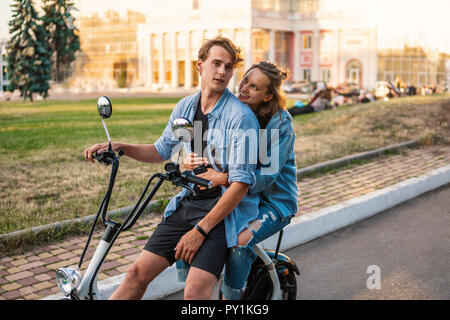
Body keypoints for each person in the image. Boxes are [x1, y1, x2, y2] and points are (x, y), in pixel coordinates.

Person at [84, 36, 260, 300]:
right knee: (135, 274)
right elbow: (162, 150)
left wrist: (200, 231)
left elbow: (240, 185)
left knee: (194, 291)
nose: (222, 71)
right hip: (188, 202)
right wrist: (121, 147)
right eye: (216, 63)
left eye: (228, 66)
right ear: (200, 65)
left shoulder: (241, 118)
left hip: (222, 214)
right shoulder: (185, 108)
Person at [180, 61, 298, 299]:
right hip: (239, 199)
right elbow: (212, 148)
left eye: (254, 87)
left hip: (273, 203)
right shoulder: (233, 111)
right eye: (245, 80)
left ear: (267, 96)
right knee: (188, 225)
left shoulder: (279, 123)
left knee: (240, 242)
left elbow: (267, 176)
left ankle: (231, 298)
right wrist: (189, 159)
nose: (244, 88)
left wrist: (224, 178)